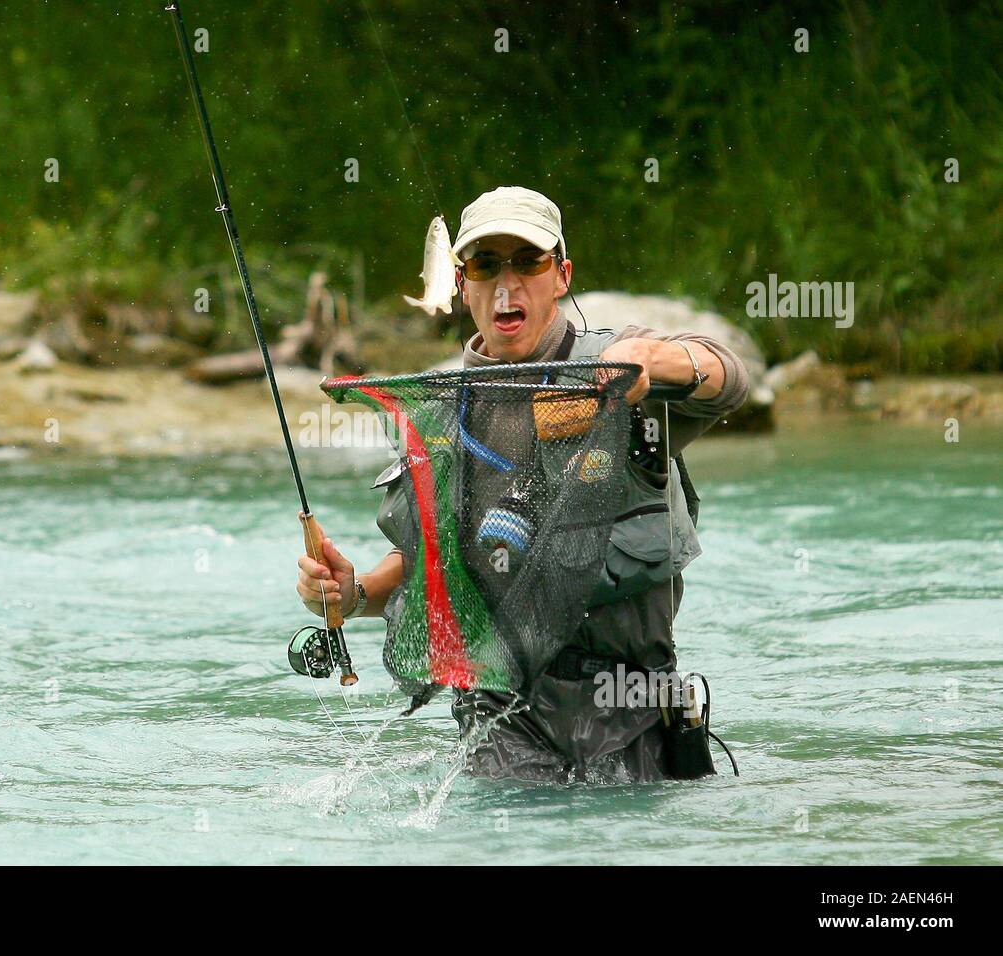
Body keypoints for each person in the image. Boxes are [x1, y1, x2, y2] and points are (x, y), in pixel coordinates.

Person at [296, 186, 748, 783]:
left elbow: (728, 379)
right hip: (502, 729)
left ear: (561, 275)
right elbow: (430, 562)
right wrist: (352, 595)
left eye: (528, 261)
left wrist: (650, 361)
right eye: (486, 265)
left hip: (638, 723)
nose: (506, 283)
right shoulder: (440, 414)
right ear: (464, 285)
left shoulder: (620, 369)